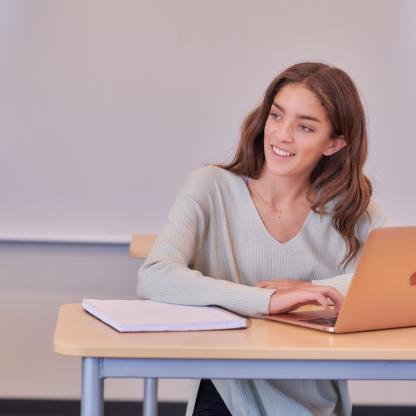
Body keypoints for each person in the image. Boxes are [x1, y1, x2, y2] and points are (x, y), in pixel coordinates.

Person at [137, 62, 388, 416]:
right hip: (228, 393)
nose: (282, 135)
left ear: (334, 143)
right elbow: (155, 275)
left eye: (304, 127)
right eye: (276, 116)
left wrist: (310, 288)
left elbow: (398, 286)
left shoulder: (353, 207)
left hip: (314, 398)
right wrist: (267, 300)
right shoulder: (211, 187)